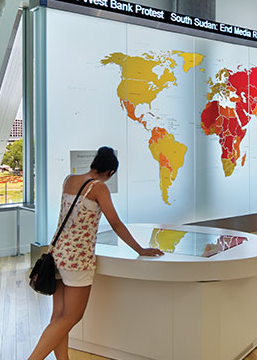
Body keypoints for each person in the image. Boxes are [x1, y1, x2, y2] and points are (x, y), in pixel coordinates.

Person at [28, 147, 164, 360]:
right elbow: (116, 224)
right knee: (72, 316)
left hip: (57, 254)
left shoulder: (69, 180)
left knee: (59, 316)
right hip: (77, 260)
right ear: (110, 172)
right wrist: (141, 250)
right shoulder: (98, 188)